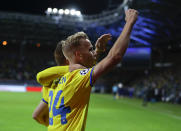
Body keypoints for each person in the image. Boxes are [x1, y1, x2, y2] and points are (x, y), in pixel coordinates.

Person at [46, 9, 138, 131]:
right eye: (90, 49)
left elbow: (87, 65)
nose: (93, 52)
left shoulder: (61, 78)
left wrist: (98, 50)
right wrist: (129, 23)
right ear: (78, 55)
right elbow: (114, 57)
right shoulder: (79, 77)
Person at [32, 34, 112, 126]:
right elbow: (89, 69)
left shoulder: (50, 82)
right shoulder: (74, 77)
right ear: (69, 59)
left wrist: (54, 126)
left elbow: (36, 115)